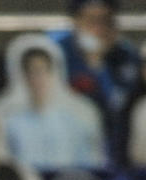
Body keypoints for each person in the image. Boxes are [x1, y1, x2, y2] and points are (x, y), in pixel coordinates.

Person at [50, 0, 143, 167]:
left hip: (120, 153)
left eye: (106, 20)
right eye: (91, 20)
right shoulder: (58, 56)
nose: (99, 28)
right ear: (76, 21)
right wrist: (92, 64)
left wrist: (100, 66)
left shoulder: (126, 55)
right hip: (72, 152)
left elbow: (128, 103)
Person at [0, 34, 107, 171]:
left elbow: (89, 164)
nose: (37, 79)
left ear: (52, 73)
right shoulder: (10, 123)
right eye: (31, 72)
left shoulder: (74, 121)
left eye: (42, 71)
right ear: (23, 76)